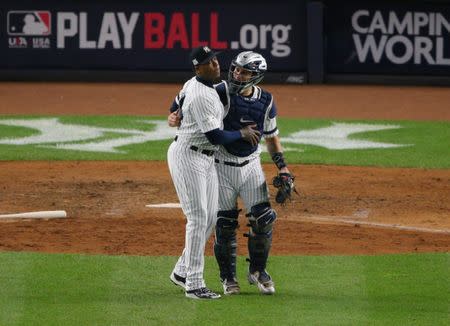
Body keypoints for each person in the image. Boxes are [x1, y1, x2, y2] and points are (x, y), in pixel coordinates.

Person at [169, 51, 293, 296]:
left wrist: (283, 168)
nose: (237, 74)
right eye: (236, 69)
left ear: (256, 76)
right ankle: (227, 277)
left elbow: (272, 137)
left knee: (264, 218)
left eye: (244, 71)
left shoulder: (266, 101)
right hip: (220, 164)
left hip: (250, 165)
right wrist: (176, 113)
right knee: (223, 224)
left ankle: (258, 271)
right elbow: (182, 98)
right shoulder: (219, 90)